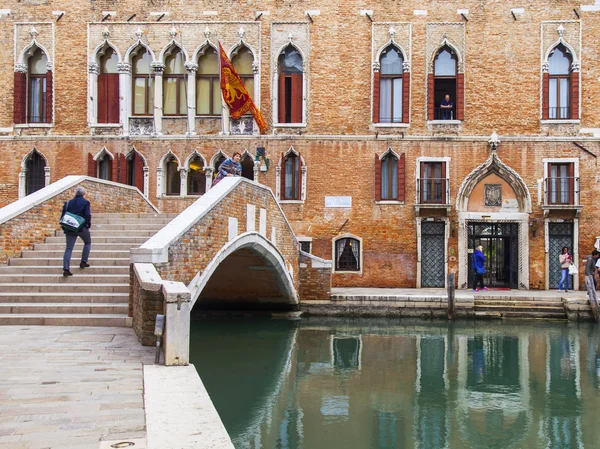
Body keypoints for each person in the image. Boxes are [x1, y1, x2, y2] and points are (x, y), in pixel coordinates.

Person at [61, 186, 92, 277]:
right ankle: (83, 261)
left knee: (69, 248)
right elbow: (87, 215)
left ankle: (66, 268)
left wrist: (64, 227)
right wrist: (88, 225)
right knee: (88, 242)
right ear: (83, 194)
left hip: (69, 227)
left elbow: (63, 215)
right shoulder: (85, 203)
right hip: (81, 227)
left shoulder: (68, 203)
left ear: (75, 193)